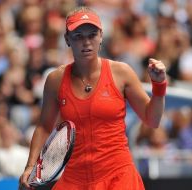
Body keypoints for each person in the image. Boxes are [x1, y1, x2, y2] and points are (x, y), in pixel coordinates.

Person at [19, 6, 167, 190]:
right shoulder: (55, 80)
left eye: (92, 35)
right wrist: (30, 167)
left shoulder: (122, 72)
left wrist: (159, 86)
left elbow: (152, 119)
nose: (86, 42)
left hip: (119, 177)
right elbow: (43, 127)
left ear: (101, 36)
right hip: (74, 180)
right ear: (67, 39)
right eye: (78, 36)